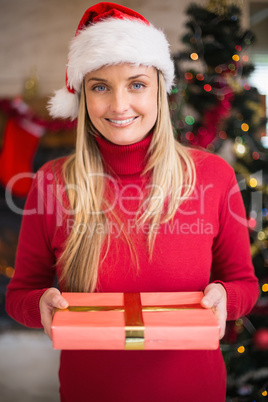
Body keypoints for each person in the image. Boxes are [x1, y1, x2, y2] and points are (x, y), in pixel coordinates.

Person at [6, 3, 259, 402]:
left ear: (159, 89)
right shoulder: (51, 182)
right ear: (83, 95)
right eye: (100, 86)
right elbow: (20, 293)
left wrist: (226, 298)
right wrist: (41, 303)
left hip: (193, 390)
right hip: (91, 391)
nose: (119, 106)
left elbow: (244, 284)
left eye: (136, 84)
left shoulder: (213, 176)